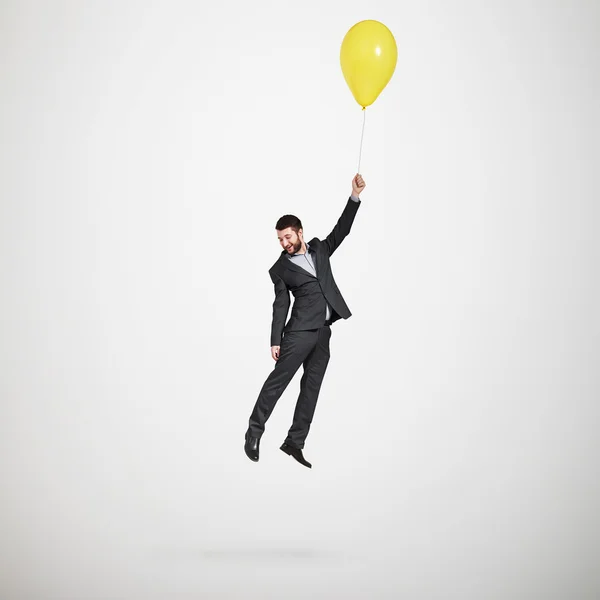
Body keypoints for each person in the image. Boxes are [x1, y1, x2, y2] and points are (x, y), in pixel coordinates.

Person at [244, 174, 366, 468]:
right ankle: (254, 431)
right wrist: (276, 339)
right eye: (279, 239)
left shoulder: (320, 249)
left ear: (299, 232)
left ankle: (294, 442)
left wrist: (354, 196)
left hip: (323, 333)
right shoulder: (280, 269)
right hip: (298, 334)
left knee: (311, 388)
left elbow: (342, 230)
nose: (284, 243)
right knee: (277, 384)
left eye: (288, 236)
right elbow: (280, 304)